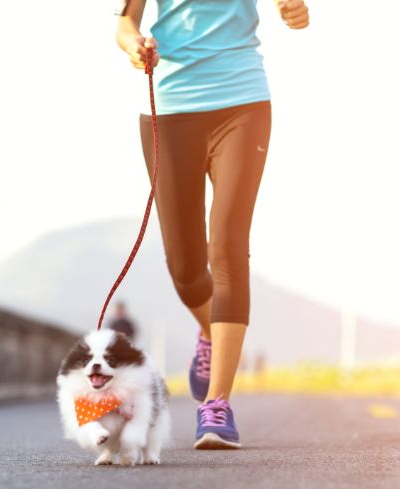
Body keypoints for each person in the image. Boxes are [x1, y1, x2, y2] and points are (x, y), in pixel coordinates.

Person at [115, 0, 310, 449]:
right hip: (169, 108)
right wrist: (134, 45)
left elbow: (291, 4)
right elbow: (125, 22)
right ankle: (211, 332)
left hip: (241, 102)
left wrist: (295, 10)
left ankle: (217, 406)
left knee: (227, 246)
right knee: (185, 269)